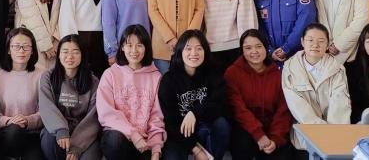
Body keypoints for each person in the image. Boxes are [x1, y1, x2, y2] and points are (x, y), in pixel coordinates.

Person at [159, 30, 230, 160]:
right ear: (180, 51)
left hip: (204, 125)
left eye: (199, 48)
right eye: (188, 48)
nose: (194, 53)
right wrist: (196, 149)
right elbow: (170, 122)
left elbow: (219, 103)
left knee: (221, 124)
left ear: (205, 51)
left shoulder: (212, 73)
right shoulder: (168, 80)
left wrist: (194, 113)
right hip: (178, 132)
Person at [97, 25, 165, 160]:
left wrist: (156, 149)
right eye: (129, 45)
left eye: (139, 45)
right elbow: (106, 113)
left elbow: (157, 117)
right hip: (118, 137)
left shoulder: (156, 77)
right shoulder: (110, 74)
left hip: (144, 142)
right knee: (115, 142)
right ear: (122, 47)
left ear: (146, 48)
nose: (134, 50)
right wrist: (133, 134)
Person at [224, 30, 293, 160]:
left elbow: (283, 110)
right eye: (248, 48)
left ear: (266, 48)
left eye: (258, 46)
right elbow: (238, 109)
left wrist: (275, 138)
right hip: (245, 128)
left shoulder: (278, 74)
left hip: (272, 128)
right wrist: (259, 135)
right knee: (242, 145)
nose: (254, 51)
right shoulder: (232, 73)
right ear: (242, 51)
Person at [281, 23, 350, 150]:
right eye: (310, 40)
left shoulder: (337, 68)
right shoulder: (290, 68)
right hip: (305, 136)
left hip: (335, 136)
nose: (315, 45)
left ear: (328, 44)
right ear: (302, 42)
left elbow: (340, 103)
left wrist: (335, 134)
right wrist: (322, 130)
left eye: (321, 41)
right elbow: (297, 105)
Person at [39, 35, 102, 160]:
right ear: (59, 55)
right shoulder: (48, 77)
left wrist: (76, 146)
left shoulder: (93, 81)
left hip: (84, 133)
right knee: (48, 138)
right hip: (57, 130)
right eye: (65, 51)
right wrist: (60, 129)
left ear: (82, 55)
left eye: (75, 52)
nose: (70, 56)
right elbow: (46, 106)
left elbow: (93, 117)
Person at [0, 28, 46, 159]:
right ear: (9, 50)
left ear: (32, 50)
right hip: (7, 134)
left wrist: (27, 120)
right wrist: (10, 121)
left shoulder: (42, 75)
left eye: (26, 46)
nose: (21, 51)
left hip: (32, 133)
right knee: (14, 131)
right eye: (16, 46)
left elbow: (46, 111)